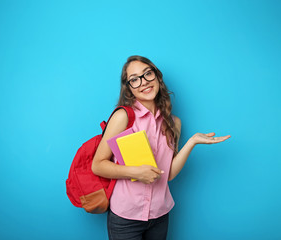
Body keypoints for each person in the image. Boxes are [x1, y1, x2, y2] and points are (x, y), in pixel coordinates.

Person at [92, 55, 231, 240]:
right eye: (134, 79)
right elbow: (98, 165)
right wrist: (135, 172)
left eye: (147, 74)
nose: (143, 82)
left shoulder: (174, 123)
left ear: (157, 77)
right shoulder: (123, 117)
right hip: (126, 217)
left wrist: (192, 142)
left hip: (160, 215)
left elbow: (168, 174)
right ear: (129, 88)